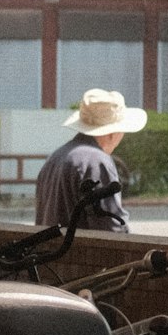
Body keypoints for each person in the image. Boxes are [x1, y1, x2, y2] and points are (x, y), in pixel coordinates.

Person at [34, 88, 147, 233]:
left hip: (50, 252)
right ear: (113, 133)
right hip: (81, 253)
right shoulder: (97, 162)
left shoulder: (56, 156)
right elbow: (110, 227)